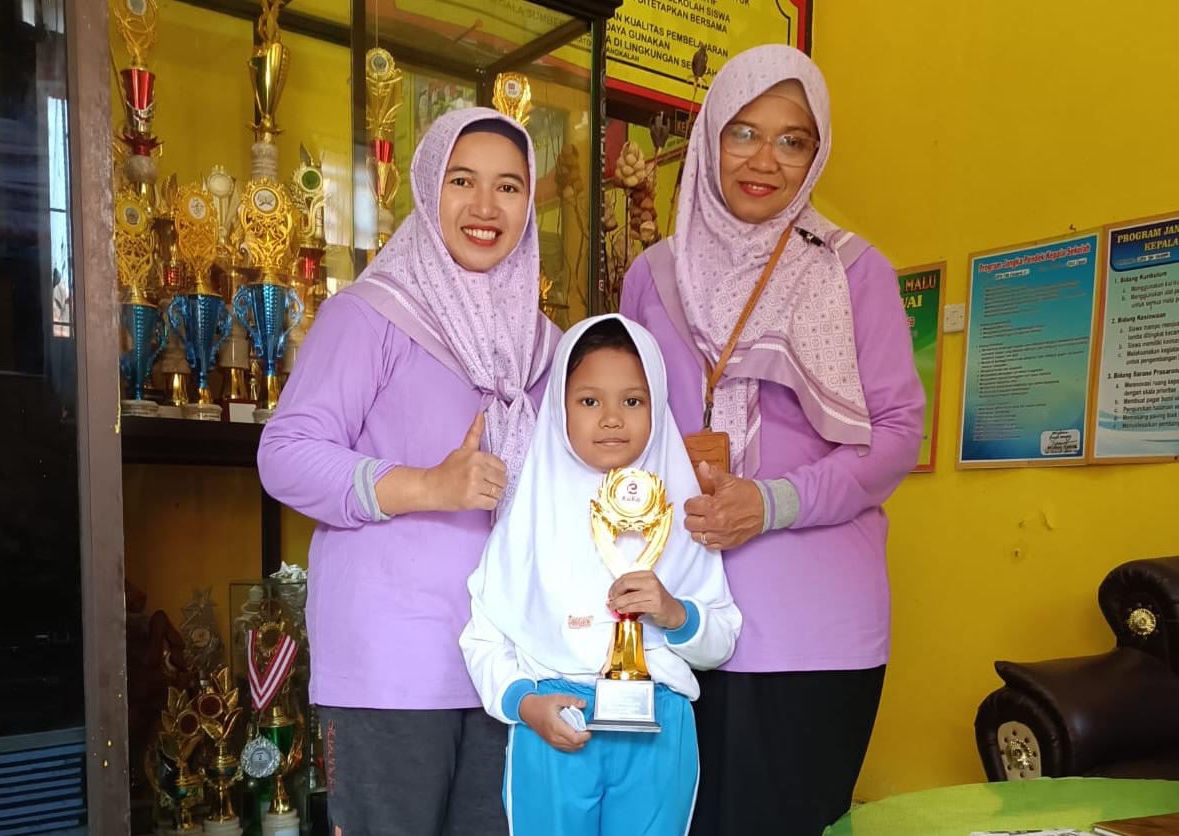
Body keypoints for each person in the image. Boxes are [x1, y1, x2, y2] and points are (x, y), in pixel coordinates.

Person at [619, 45, 926, 835]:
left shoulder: (854, 272)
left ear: (817, 153)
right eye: (744, 133)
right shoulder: (651, 277)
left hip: (811, 633)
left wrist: (774, 502)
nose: (765, 160)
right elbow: (626, 429)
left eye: (793, 140)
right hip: (675, 618)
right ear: (710, 136)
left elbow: (896, 434)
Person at [257, 107, 559, 836]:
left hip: (509, 672)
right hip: (391, 670)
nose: (485, 207)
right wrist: (429, 486)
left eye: (509, 187)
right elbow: (286, 454)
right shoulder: (370, 315)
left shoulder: (543, 347)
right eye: (463, 181)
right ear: (428, 189)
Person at [460, 314, 742, 836]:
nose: (612, 418)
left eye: (632, 401)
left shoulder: (683, 517)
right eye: (589, 401)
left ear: (657, 406)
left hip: (658, 727)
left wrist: (675, 613)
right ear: (559, 409)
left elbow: (720, 638)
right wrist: (525, 703)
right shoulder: (527, 521)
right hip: (555, 720)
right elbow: (482, 637)